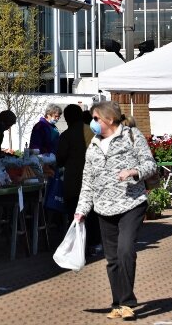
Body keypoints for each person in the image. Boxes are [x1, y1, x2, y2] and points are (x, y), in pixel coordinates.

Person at [74, 101, 157, 320]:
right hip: (104, 207)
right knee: (111, 258)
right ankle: (117, 303)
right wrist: (81, 209)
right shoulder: (93, 145)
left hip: (131, 203)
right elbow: (87, 181)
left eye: (95, 119)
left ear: (109, 119)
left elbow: (150, 164)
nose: (92, 123)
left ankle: (128, 301)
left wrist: (133, 171)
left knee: (125, 250)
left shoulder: (132, 136)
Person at [57, 104, 100, 255]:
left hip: (74, 182)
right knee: (93, 215)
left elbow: (60, 159)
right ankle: (94, 244)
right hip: (93, 181)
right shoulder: (92, 131)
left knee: (75, 214)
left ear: (67, 118)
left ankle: (78, 246)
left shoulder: (66, 136)